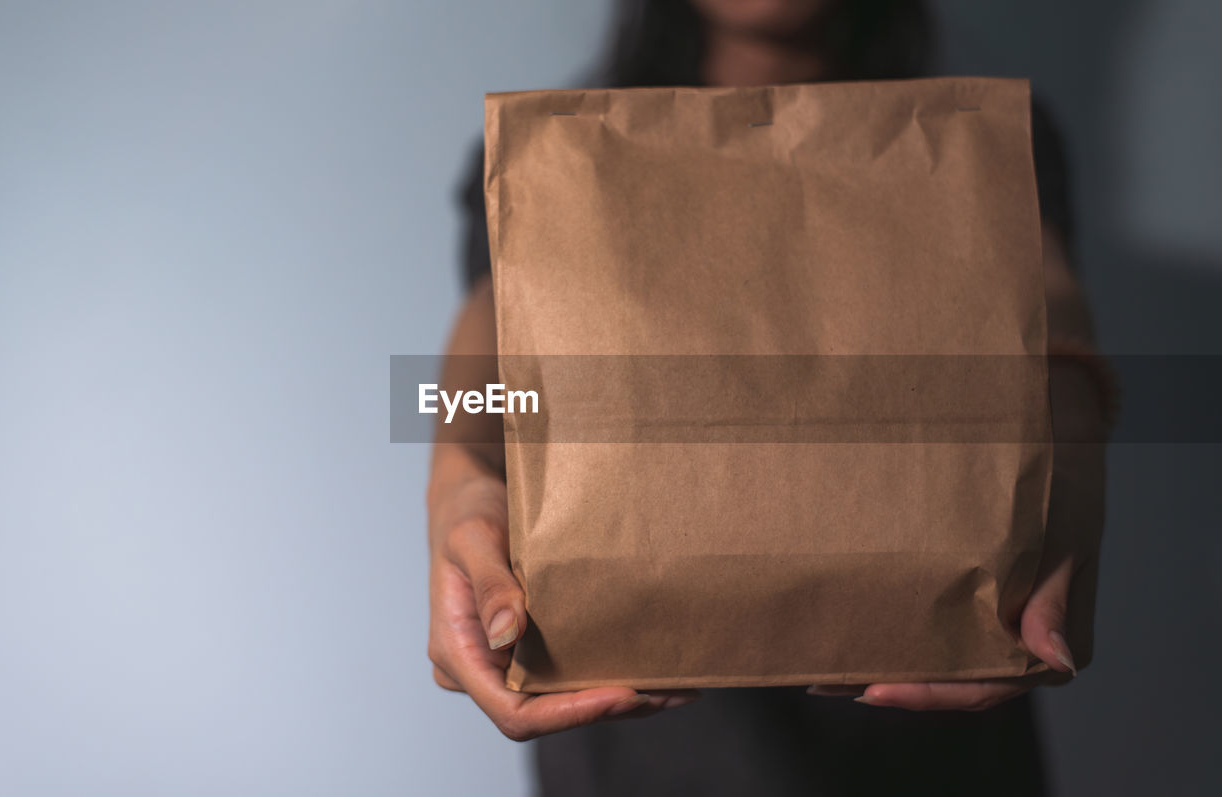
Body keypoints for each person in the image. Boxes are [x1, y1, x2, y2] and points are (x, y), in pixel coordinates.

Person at [428, 1, 1109, 793]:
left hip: (932, 751)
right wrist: (454, 481)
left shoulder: (980, 136)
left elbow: (1049, 314)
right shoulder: (553, 154)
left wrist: (1078, 436)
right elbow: (477, 368)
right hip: (647, 755)